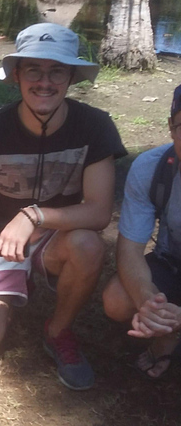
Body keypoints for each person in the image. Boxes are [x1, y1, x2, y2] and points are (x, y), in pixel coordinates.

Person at [0, 23, 126, 390]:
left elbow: (98, 212)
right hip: (0, 246)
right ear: (16, 75)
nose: (44, 82)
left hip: (56, 239)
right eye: (33, 70)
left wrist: (33, 215)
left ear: (71, 77)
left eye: (56, 71)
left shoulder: (94, 127)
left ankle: (58, 330)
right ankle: (6, 298)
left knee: (88, 244)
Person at [102, 84, 181, 379]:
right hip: (171, 262)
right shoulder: (151, 168)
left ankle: (170, 334)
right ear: (171, 129)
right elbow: (130, 249)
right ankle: (165, 329)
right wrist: (147, 301)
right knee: (118, 299)